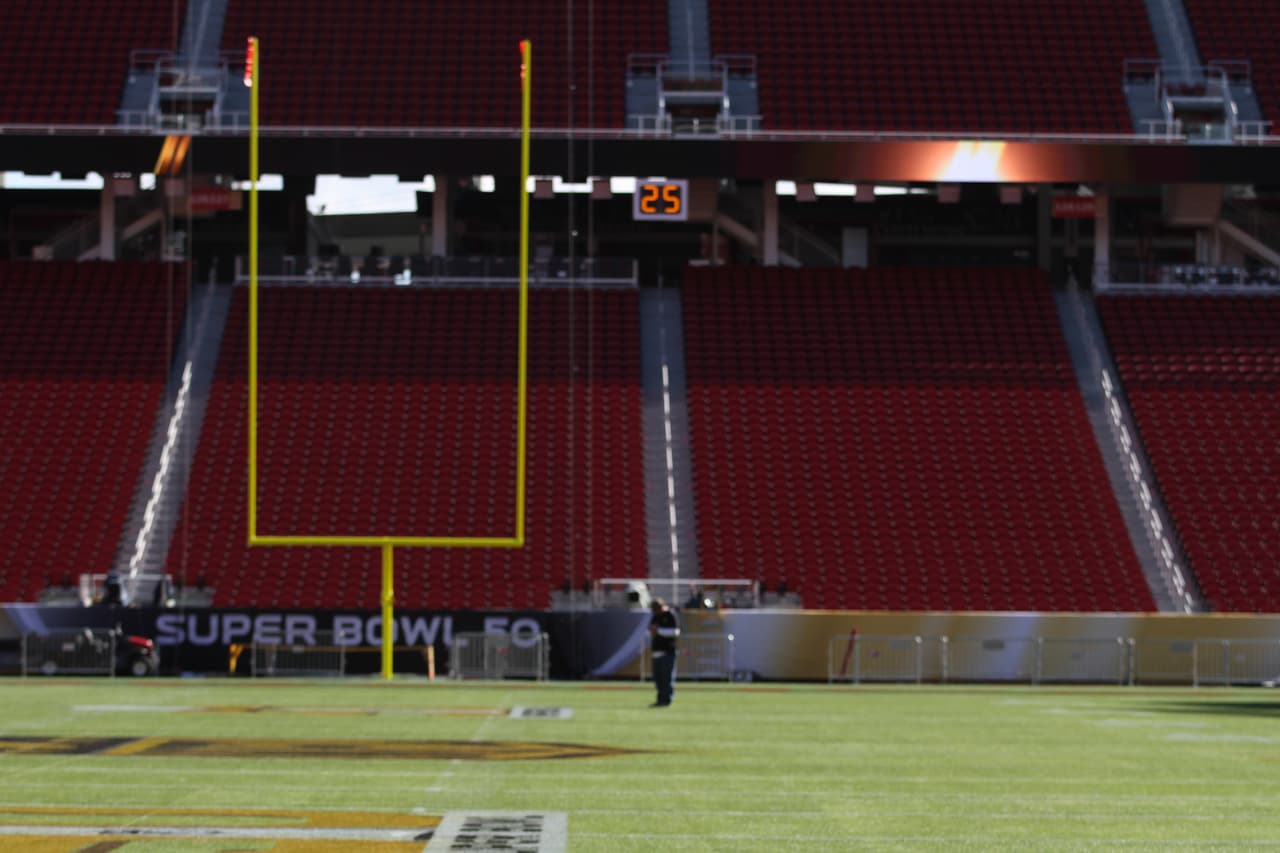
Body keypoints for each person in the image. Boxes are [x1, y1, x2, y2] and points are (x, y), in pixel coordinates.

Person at [648, 598, 680, 707]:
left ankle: (667, 700)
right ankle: (660, 700)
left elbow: (675, 632)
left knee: (667, 678)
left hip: (668, 652)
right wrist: (653, 632)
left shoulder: (670, 615)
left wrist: (658, 631)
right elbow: (650, 632)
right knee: (658, 679)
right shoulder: (655, 617)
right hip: (656, 652)